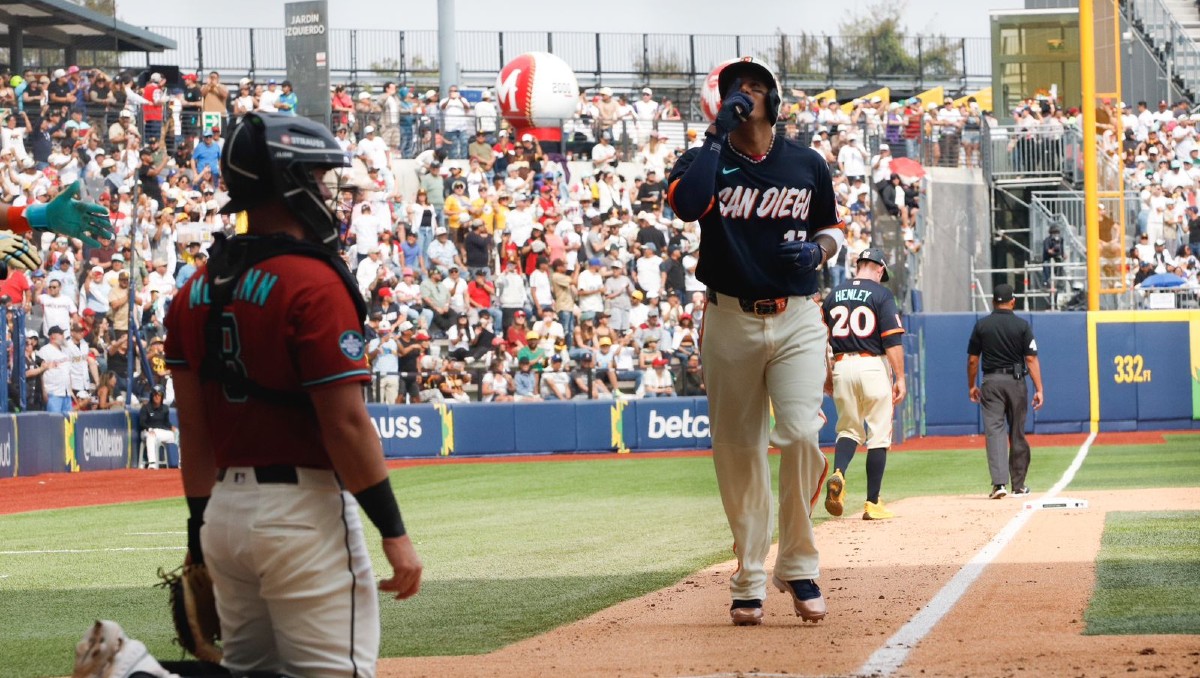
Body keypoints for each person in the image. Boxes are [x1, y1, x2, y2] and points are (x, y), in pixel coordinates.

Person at [163, 112, 422, 677]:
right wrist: (394, 534)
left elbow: (196, 432)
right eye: (318, 176)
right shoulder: (315, 282)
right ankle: (137, 671)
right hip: (301, 514)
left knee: (251, 672)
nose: (327, 191)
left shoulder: (193, 290)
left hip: (223, 516)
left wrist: (198, 532)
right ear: (290, 181)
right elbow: (346, 425)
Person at [667, 57, 844, 626]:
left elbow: (831, 228)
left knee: (799, 434)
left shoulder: (806, 161)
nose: (744, 94)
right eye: (732, 89)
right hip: (728, 318)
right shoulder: (704, 161)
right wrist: (716, 136)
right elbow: (686, 204)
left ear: (773, 97)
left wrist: (819, 251)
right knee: (738, 450)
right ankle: (747, 575)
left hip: (795, 314)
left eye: (753, 86)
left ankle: (797, 564)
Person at [821, 248, 906, 521]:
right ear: (879, 269)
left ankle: (839, 473)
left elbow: (821, 341)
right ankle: (872, 503)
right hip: (872, 364)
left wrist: (827, 376)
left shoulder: (833, 294)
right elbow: (892, 340)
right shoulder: (881, 294)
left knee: (847, 429)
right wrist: (900, 377)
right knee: (878, 434)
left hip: (841, 364)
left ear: (859, 265)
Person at [966, 283, 1044, 499]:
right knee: (1017, 432)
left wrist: (972, 385)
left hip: (991, 381)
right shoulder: (1022, 325)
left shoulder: (982, 325)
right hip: (1017, 382)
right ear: (1012, 301)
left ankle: (999, 485)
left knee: (995, 432)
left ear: (993, 302)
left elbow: (973, 360)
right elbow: (1030, 358)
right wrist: (1039, 388)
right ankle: (1018, 486)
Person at [138, 384, 175, 469]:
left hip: (160, 432)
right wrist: (149, 429)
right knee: (151, 436)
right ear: (152, 395)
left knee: (178, 435)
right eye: (155, 394)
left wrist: (172, 427)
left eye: (159, 395)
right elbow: (142, 422)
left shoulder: (165, 408)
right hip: (146, 431)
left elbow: (166, 423)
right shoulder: (146, 407)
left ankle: (182, 463)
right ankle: (152, 464)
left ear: (162, 397)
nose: (157, 397)